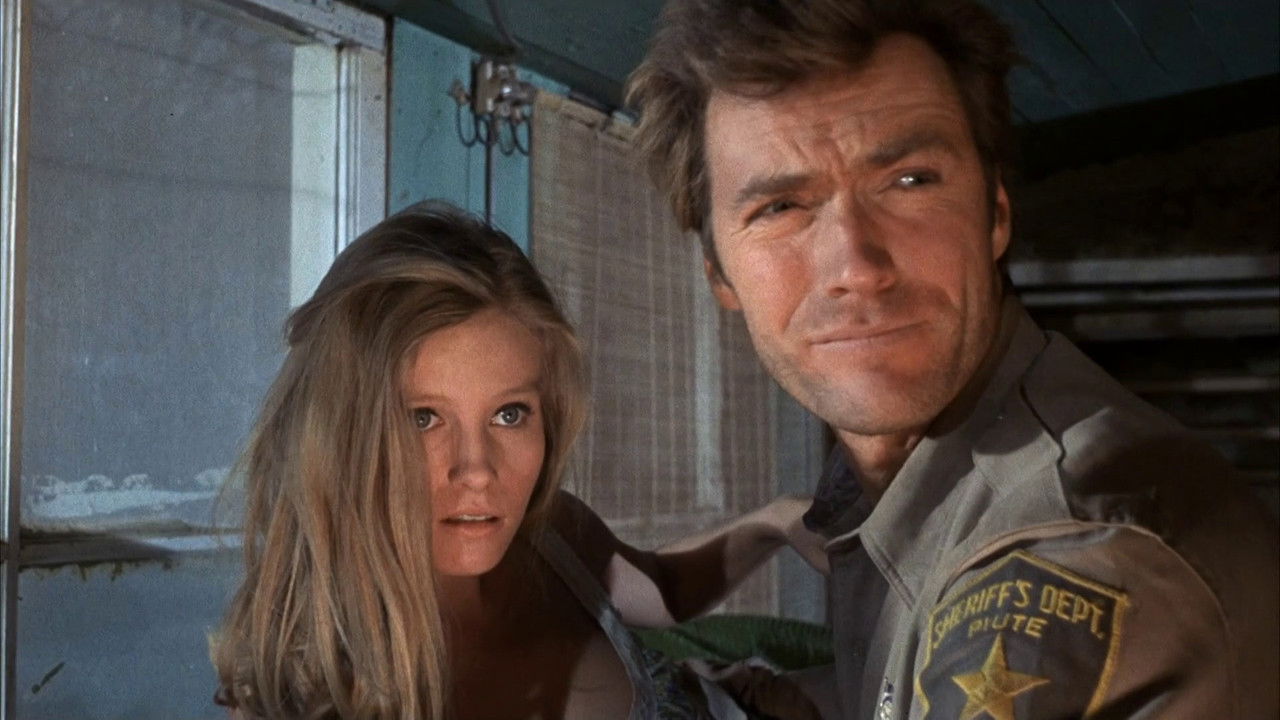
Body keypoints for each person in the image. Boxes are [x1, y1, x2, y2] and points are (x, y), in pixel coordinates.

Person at [626, 1, 1279, 718]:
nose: (856, 268)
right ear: (720, 274)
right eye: (780, 208)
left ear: (995, 214)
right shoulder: (893, 486)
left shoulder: (1057, 553)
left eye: (910, 181)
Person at [210, 201, 826, 719]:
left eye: (509, 414)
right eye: (423, 418)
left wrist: (777, 522)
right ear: (343, 435)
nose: (477, 470)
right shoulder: (306, 689)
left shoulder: (550, 535)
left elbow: (661, 590)